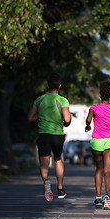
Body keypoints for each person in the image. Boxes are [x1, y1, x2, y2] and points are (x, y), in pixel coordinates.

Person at [27, 73, 71, 202]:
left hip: (44, 135)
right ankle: (60, 189)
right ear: (60, 86)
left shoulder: (39, 100)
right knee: (58, 160)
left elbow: (30, 117)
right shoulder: (63, 100)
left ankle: (46, 181)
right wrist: (65, 122)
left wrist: (40, 118)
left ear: (47, 86)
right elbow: (67, 120)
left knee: (44, 161)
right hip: (57, 135)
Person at [85, 80, 110, 210]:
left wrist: (88, 125)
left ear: (100, 95)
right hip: (109, 141)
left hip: (97, 141)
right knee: (108, 170)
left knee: (99, 168)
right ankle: (107, 196)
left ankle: (98, 196)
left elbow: (88, 119)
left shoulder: (94, 107)